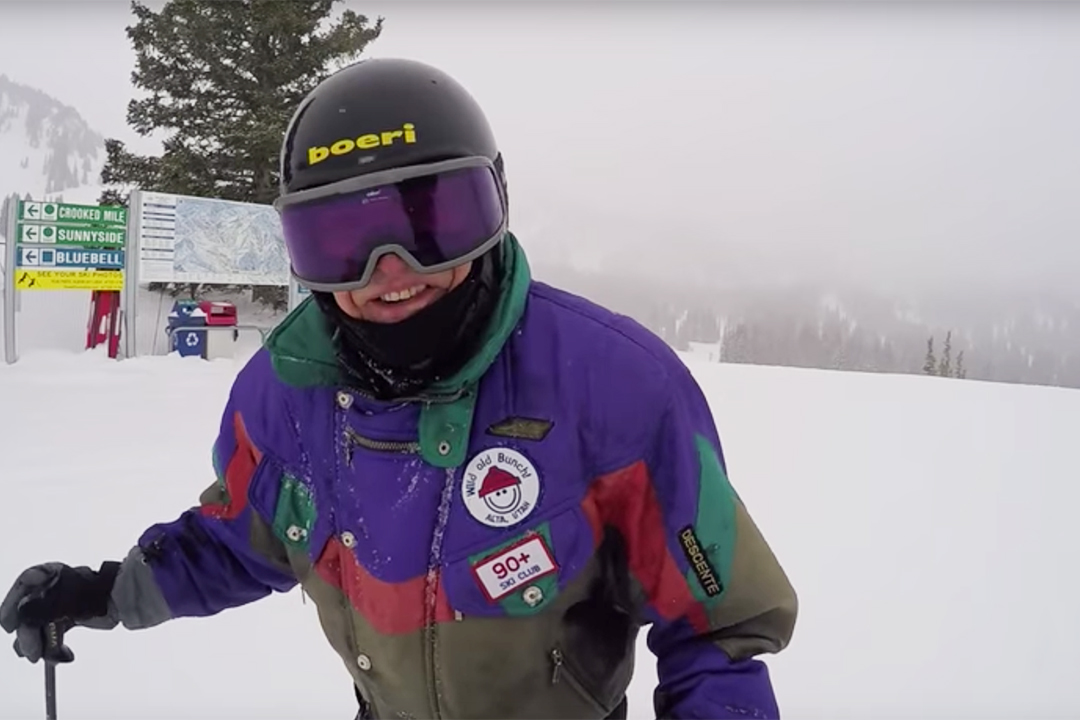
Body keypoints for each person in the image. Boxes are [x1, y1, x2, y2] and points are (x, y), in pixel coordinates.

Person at [1, 58, 798, 720]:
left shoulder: (614, 385)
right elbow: (239, 538)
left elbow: (718, 624)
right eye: (340, 238)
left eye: (430, 221)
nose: (390, 271)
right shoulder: (286, 395)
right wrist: (106, 591)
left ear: (494, 205)